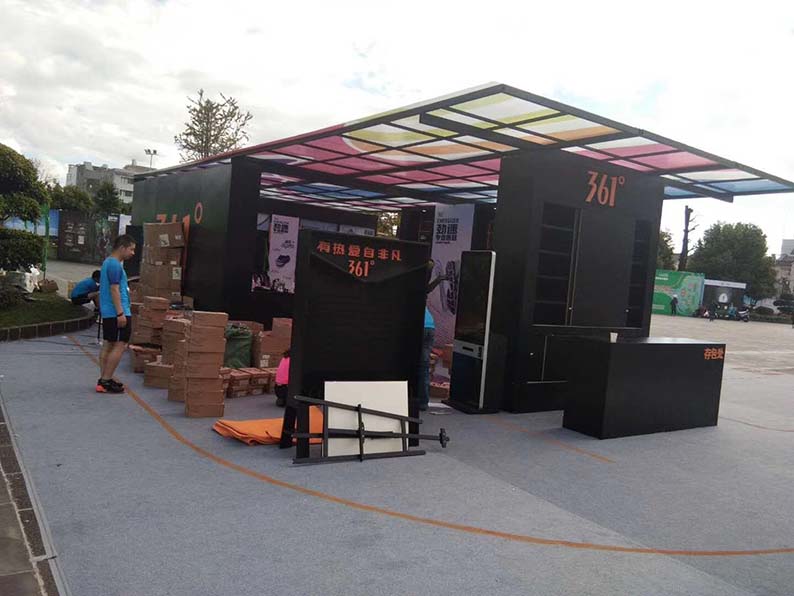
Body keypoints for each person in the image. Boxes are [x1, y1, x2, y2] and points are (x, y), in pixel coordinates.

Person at [96, 234, 136, 394]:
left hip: (108, 312)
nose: (132, 253)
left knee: (109, 343)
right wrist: (120, 313)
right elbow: (114, 289)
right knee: (120, 344)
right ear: (122, 248)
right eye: (131, 249)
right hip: (117, 312)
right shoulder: (115, 265)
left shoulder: (108, 262)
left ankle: (105, 378)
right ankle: (105, 380)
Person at [418, 261, 448, 411]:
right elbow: (428, 287)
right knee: (423, 367)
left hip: (419, 326)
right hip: (430, 325)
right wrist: (439, 279)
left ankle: (410, 398)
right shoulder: (422, 288)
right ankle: (423, 402)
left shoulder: (410, 287)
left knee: (412, 364)